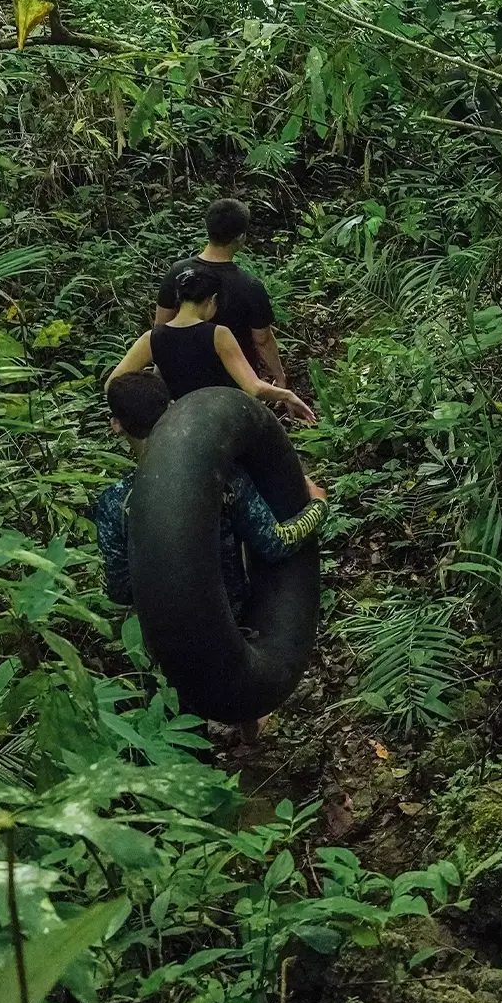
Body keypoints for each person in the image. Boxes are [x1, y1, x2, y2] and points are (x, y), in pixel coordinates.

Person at [94, 372, 327, 744]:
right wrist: (317, 507)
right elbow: (275, 543)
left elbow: (120, 590)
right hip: (232, 621)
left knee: (179, 723)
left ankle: (195, 766)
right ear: (171, 407)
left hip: (161, 640)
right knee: (247, 677)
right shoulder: (225, 480)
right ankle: (251, 742)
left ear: (117, 425)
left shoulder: (115, 503)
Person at [108, 262, 315, 421]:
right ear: (213, 299)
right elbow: (253, 387)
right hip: (222, 415)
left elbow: (112, 384)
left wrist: (154, 404)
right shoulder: (218, 334)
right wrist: (286, 395)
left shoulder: (150, 338)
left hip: (177, 417)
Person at [157, 196, 287, 383]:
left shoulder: (176, 273)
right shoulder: (249, 285)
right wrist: (279, 376)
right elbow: (262, 339)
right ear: (240, 237)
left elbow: (162, 327)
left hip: (183, 378)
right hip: (236, 380)